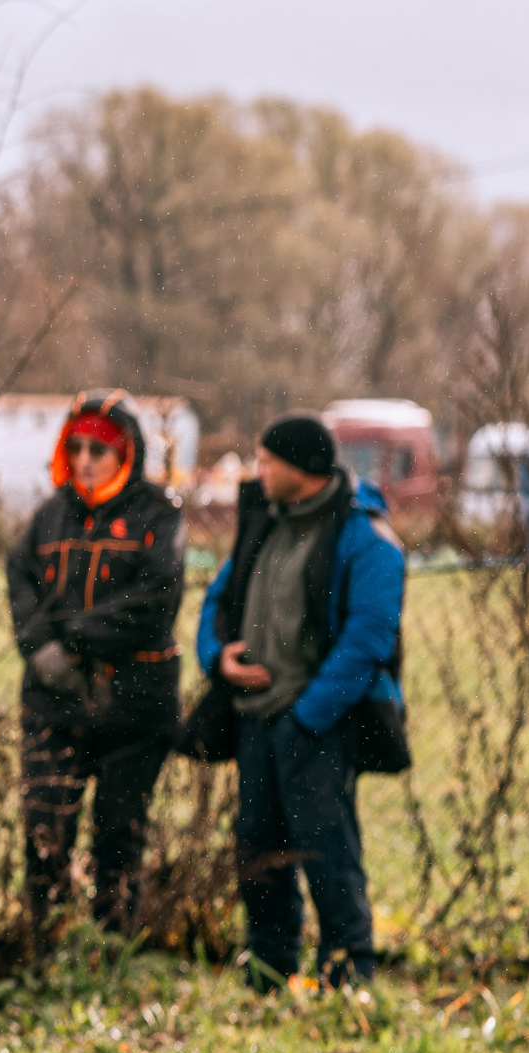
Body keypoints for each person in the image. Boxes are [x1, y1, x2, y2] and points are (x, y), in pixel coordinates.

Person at [195, 411, 405, 988]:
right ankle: (268, 970)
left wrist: (308, 717)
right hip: (255, 721)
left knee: (326, 851)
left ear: (302, 467)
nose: (257, 470)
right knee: (257, 853)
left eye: (266, 460)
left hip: (319, 725)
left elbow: (369, 639)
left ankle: (347, 973)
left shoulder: (365, 538)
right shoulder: (266, 523)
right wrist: (218, 659)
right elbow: (216, 601)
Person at [5, 390, 187, 937]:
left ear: (125, 454)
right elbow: (20, 584)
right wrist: (41, 651)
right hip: (53, 703)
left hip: (135, 702)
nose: (85, 459)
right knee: (45, 827)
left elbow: (155, 601)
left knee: (119, 832)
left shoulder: (157, 517)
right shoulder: (49, 516)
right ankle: (48, 939)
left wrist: (78, 643)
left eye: (99, 449)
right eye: (76, 446)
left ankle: (113, 944)